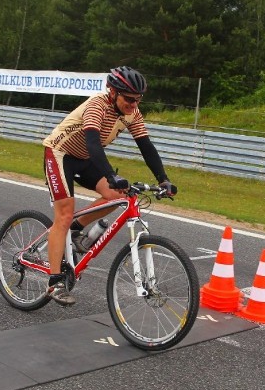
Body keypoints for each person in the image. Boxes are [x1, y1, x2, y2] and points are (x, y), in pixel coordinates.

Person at [42, 66, 176, 306]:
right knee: (63, 214)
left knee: (116, 195)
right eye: (129, 99)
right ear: (113, 92)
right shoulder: (97, 106)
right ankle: (54, 282)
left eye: (138, 99)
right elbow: (93, 144)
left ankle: (74, 231)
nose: (134, 104)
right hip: (61, 154)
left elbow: (146, 145)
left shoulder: (132, 113)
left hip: (84, 159)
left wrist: (162, 179)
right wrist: (109, 174)